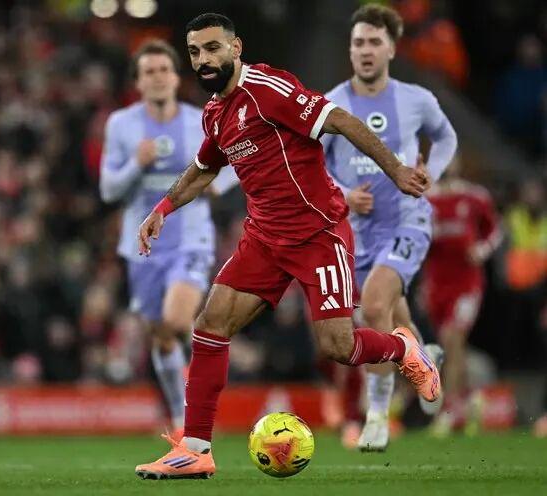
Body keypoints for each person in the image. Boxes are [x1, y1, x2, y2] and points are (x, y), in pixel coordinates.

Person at [135, 13, 440, 480]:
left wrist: (395, 170)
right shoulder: (215, 112)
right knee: (210, 324)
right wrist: (162, 208)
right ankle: (195, 449)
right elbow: (204, 168)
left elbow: (339, 120)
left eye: (213, 48)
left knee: (338, 346)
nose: (204, 60)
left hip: (318, 234)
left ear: (236, 48)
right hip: (264, 239)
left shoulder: (267, 89)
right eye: (195, 52)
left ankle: (403, 349)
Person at [322, 4, 457, 451]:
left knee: (374, 306)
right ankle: (424, 355)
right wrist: (343, 193)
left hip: (406, 220)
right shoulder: (331, 104)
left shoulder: (416, 99)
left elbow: (446, 137)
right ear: (350, 50)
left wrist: (431, 171)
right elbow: (313, 165)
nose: (366, 50)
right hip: (357, 232)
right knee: (392, 318)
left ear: (392, 49)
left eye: (374, 42)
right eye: (358, 42)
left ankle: (377, 415)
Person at [100, 40, 232, 436]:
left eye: (164, 70)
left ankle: (195, 405)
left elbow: (235, 163)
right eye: (149, 72)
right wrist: (135, 165)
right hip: (141, 246)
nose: (158, 77)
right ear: (138, 82)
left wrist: (216, 184)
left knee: (176, 320)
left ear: (176, 78)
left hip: (191, 238)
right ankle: (179, 419)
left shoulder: (201, 119)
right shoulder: (121, 125)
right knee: (160, 336)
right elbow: (108, 189)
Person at [423, 157, 501, 436]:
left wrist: (481, 250)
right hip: (437, 284)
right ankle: (471, 398)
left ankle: (448, 412)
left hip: (467, 283)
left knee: (452, 339)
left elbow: (495, 230)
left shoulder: (475, 196)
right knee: (450, 346)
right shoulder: (426, 200)